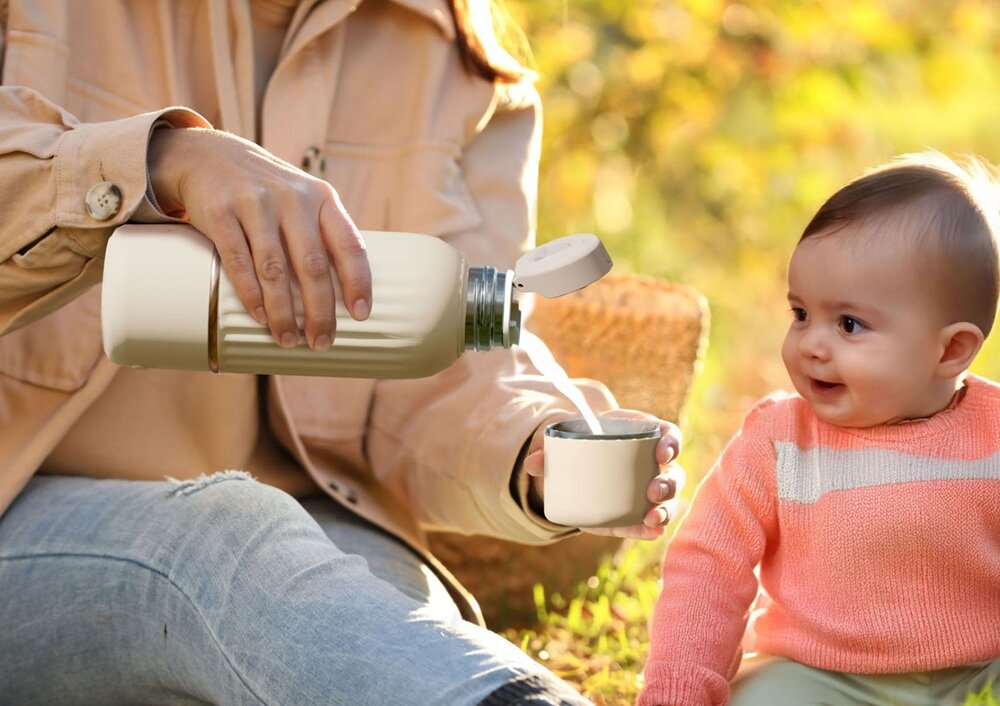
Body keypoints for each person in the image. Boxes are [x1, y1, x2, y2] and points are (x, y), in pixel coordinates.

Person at [0, 2, 683, 704]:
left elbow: (459, 361)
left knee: (382, 630)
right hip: (29, 523)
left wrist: (529, 448)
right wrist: (160, 160)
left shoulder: (457, 62)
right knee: (226, 546)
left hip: (309, 529)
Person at [639, 151, 1000, 706]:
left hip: (979, 669)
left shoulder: (992, 435)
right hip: (821, 677)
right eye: (801, 314)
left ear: (951, 350)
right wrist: (680, 687)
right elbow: (708, 565)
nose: (811, 344)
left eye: (849, 324)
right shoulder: (778, 444)